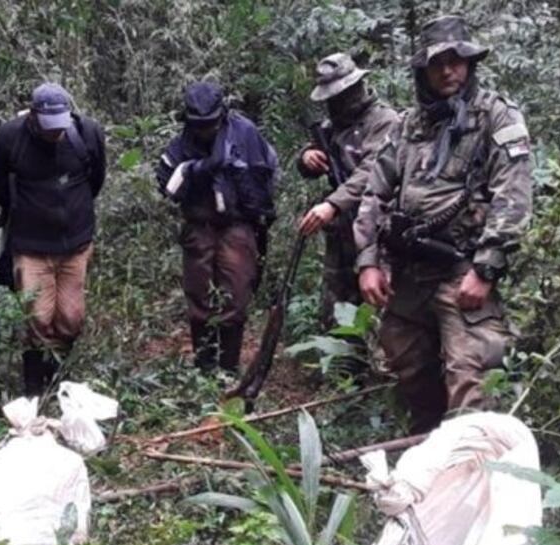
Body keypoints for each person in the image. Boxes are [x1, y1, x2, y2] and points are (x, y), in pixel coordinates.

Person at [354, 15, 532, 433]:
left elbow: (514, 195)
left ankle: (469, 470)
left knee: (471, 376)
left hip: (461, 272)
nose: (448, 70)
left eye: (457, 61)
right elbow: (375, 193)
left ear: (470, 64)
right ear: (424, 70)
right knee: (407, 366)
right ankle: (426, 459)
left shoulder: (496, 117)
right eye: (438, 63)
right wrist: (368, 261)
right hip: (409, 272)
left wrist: (486, 268)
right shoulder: (408, 125)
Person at [0, 83, 106, 396]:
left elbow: (96, 179)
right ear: (33, 117)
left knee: (71, 318)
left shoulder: (87, 134)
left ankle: (56, 376)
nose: (55, 134)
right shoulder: (10, 138)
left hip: (75, 244)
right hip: (31, 245)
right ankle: (34, 390)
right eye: (48, 127)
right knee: (37, 317)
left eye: (60, 126)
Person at [156, 81, 278, 374]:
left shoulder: (244, 132)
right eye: (199, 124)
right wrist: (199, 170)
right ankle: (204, 366)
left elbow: (268, 173)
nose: (205, 130)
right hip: (200, 225)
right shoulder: (183, 143)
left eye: (209, 123)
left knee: (235, 294)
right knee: (199, 296)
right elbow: (167, 183)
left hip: (238, 225)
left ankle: (229, 367)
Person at [296, 53, 399, 329]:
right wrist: (308, 157)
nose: (337, 103)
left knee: (378, 305)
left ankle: (376, 368)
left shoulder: (384, 121)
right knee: (338, 306)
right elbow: (311, 158)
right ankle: (342, 367)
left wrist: (332, 204)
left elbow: (372, 171)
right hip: (341, 232)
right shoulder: (332, 127)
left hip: (377, 227)